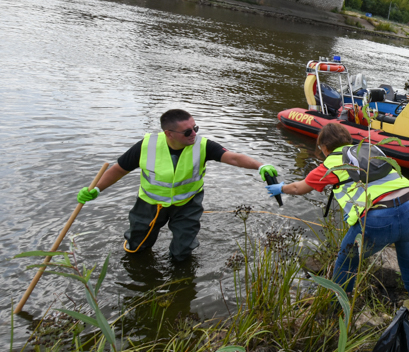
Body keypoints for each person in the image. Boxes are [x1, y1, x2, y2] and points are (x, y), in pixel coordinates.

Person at [266, 123, 409, 349]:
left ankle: (338, 326)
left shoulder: (331, 163)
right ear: (347, 139)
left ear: (324, 147)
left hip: (377, 218)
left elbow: (299, 188)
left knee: (344, 267)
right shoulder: (373, 149)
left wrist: (281, 188)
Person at [76, 109, 278, 262]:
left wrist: (260, 166)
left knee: (183, 250)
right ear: (169, 133)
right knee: (137, 246)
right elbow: (119, 169)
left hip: (187, 203)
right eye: (187, 131)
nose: (193, 134)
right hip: (150, 204)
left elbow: (233, 158)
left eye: (195, 128)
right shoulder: (146, 145)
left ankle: (180, 279)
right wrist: (96, 189)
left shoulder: (202, 145)